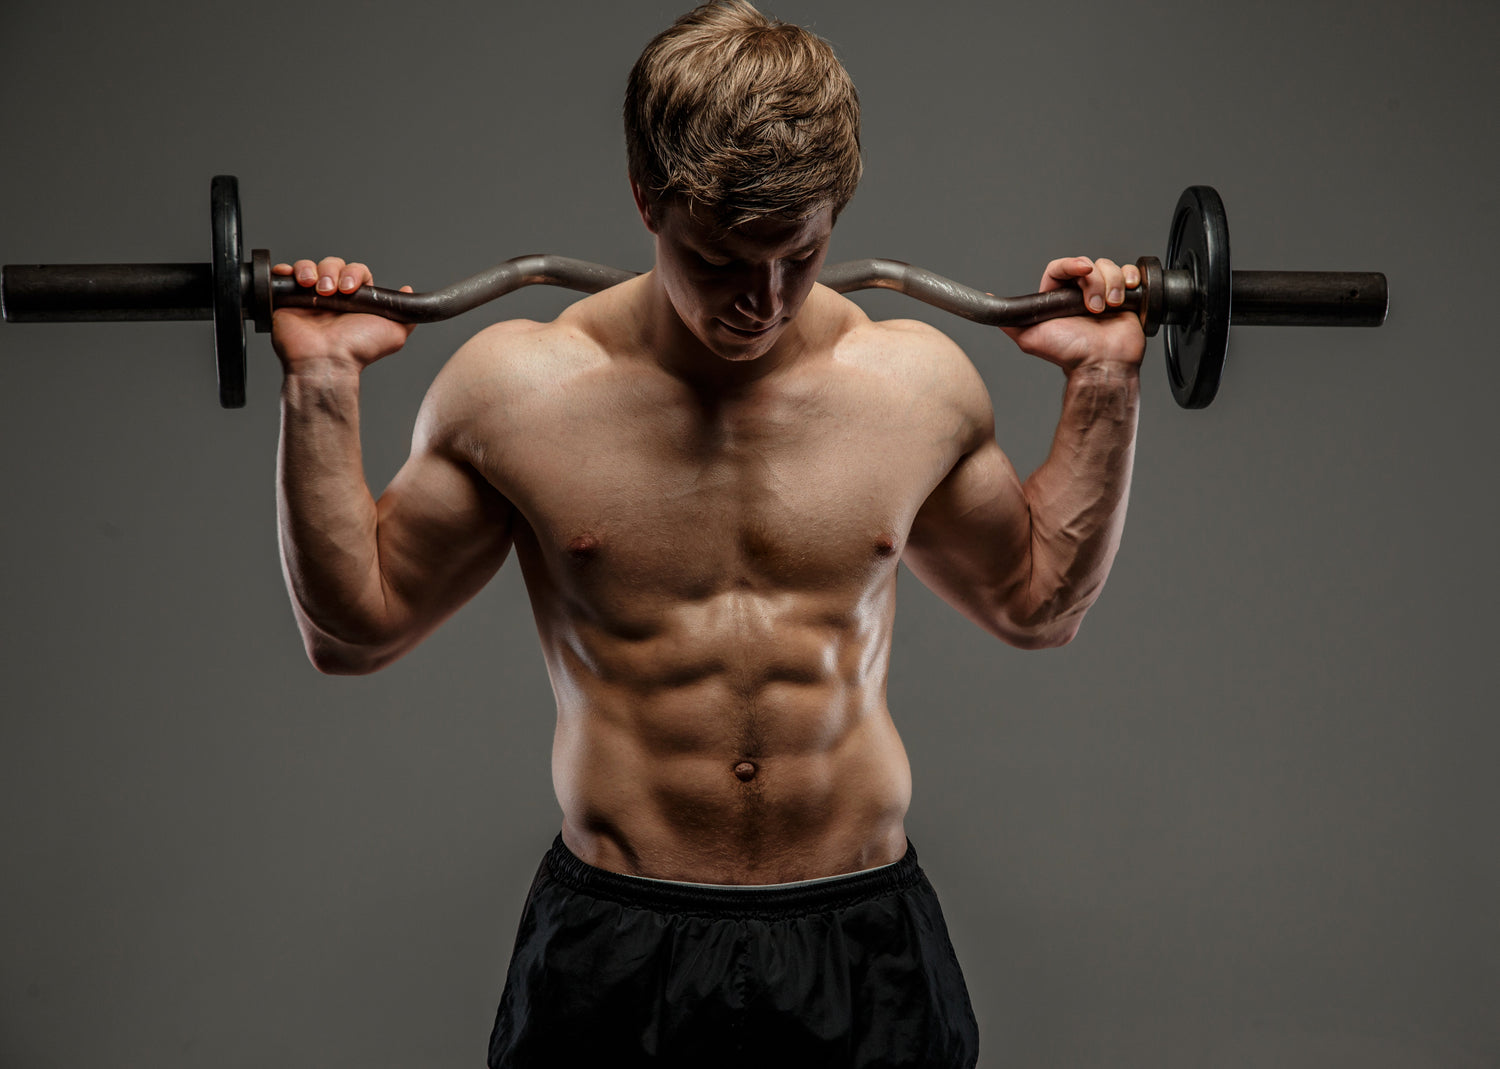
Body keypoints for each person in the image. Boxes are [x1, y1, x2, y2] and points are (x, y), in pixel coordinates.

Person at [271, 2, 1144, 1065]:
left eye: (802, 254)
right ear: (648, 198)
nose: (762, 301)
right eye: (723, 259)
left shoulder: (913, 387)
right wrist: (320, 384)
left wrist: (1104, 381)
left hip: (861, 935)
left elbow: (1038, 603)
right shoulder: (518, 392)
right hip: (617, 941)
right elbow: (352, 631)